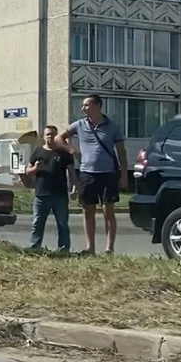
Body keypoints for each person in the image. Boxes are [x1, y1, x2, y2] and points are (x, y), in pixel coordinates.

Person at [57, 93, 128, 255]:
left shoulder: (111, 126)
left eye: (86, 105)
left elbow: (121, 152)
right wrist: (72, 150)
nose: (83, 108)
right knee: (88, 210)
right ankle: (90, 248)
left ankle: (109, 248)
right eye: (83, 105)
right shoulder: (79, 125)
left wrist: (123, 174)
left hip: (108, 173)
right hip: (87, 173)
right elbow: (59, 139)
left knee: (107, 210)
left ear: (97, 106)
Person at [25, 125, 76, 252]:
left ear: (56, 136)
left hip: (60, 195)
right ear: (43, 136)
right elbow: (27, 171)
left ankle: (64, 250)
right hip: (41, 195)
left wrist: (74, 187)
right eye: (47, 134)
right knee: (37, 224)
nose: (50, 137)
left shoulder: (64, 153)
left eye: (53, 134)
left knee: (63, 224)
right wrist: (35, 169)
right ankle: (35, 247)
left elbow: (71, 172)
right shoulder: (38, 152)